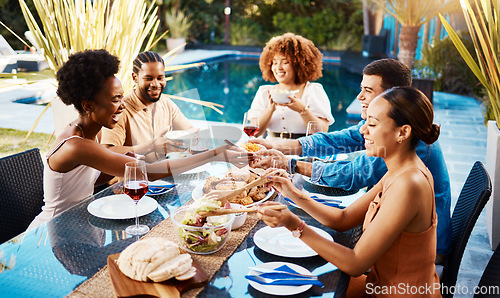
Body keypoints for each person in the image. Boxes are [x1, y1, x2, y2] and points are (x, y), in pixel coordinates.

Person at [250, 58, 452, 261]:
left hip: (419, 255)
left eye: (368, 90)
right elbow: (338, 140)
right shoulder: (396, 149)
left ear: (393, 95)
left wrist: (290, 165)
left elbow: (352, 174)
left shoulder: (405, 158)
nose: (360, 96)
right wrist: (277, 147)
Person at [28, 49, 246, 229]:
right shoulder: (77, 145)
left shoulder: (85, 133)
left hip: (82, 221)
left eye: (121, 98)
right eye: (115, 100)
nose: (122, 105)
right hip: (54, 230)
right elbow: (147, 173)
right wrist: (215, 154)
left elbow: (85, 180)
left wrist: (123, 163)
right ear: (88, 105)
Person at [258, 87, 441, 297]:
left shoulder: (409, 183)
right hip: (379, 284)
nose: (363, 131)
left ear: (403, 132)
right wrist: (291, 192)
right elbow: (343, 219)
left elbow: (355, 263)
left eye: (372, 124)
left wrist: (294, 224)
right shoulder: (399, 170)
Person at [101, 51, 193, 162]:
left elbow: (189, 133)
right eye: (148, 78)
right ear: (135, 77)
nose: (155, 84)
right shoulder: (121, 110)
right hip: (132, 177)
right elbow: (107, 152)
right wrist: (150, 146)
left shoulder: (166, 104)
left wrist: (190, 139)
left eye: (160, 78)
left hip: (161, 175)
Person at [246, 33, 334, 139]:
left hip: (303, 150)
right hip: (271, 150)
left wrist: (302, 110)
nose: (278, 68)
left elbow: (322, 131)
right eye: (274, 63)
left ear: (298, 64)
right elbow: (255, 133)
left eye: (285, 62)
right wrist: (270, 109)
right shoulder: (264, 92)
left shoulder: (312, 90)